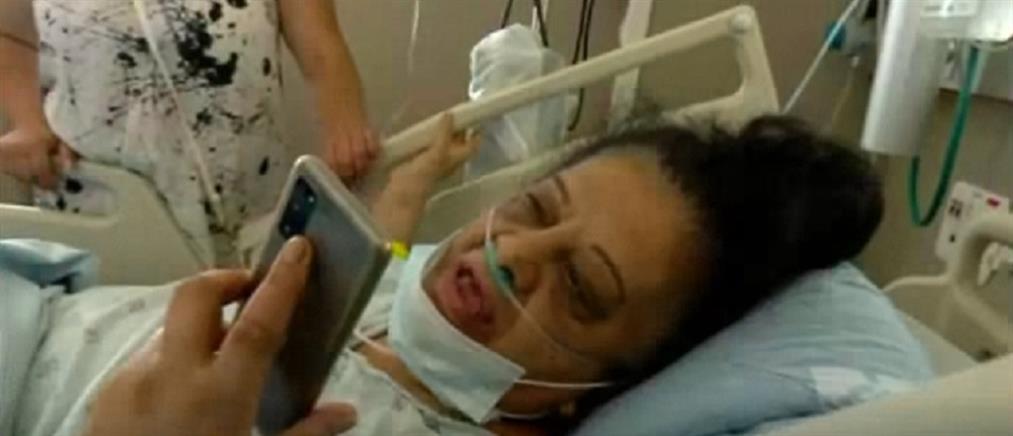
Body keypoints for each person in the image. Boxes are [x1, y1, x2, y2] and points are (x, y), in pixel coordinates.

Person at [14, 113, 884, 435]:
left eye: (581, 291)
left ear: (604, 387)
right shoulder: (389, 299)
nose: (507, 256)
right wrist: (418, 180)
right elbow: (391, 252)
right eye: (534, 209)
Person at [0, 0, 377, 266]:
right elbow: (9, 35)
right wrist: (29, 123)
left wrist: (346, 126)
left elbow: (320, 43)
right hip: (104, 215)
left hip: (252, 208)